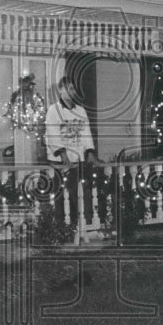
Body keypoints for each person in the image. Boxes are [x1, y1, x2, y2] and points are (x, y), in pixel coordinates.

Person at [45, 77, 98, 225]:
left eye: (73, 89)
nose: (71, 91)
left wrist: (90, 152)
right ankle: (62, 228)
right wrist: (63, 155)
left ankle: (84, 225)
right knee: (61, 195)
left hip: (78, 159)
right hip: (61, 162)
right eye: (68, 88)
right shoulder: (53, 110)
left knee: (82, 193)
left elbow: (86, 132)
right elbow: (52, 133)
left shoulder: (80, 110)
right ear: (61, 90)